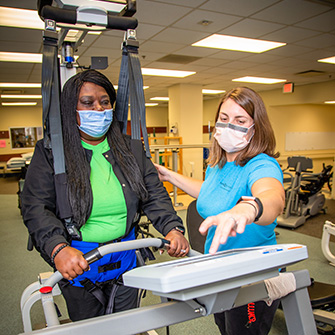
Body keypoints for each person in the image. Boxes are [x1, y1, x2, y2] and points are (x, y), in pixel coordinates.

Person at [21, 69, 189, 322]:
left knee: (127, 324)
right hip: (78, 264)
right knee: (90, 327)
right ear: (71, 109)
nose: (98, 109)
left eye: (105, 102)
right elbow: (35, 207)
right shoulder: (51, 152)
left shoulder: (130, 147)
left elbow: (154, 194)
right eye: (87, 103)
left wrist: (173, 228)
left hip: (126, 257)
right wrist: (58, 249)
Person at [155, 87, 285, 335]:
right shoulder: (220, 163)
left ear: (255, 128)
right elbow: (209, 192)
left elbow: (273, 196)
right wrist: (169, 175)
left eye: (240, 120)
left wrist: (248, 208)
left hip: (251, 278)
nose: (229, 126)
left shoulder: (262, 164)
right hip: (220, 270)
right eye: (224, 119)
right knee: (224, 329)